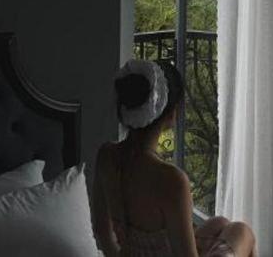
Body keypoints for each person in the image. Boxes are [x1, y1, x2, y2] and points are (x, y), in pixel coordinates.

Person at [92, 59, 257, 257]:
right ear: (171, 113)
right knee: (243, 232)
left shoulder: (106, 156)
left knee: (219, 223)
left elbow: (102, 232)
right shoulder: (171, 180)